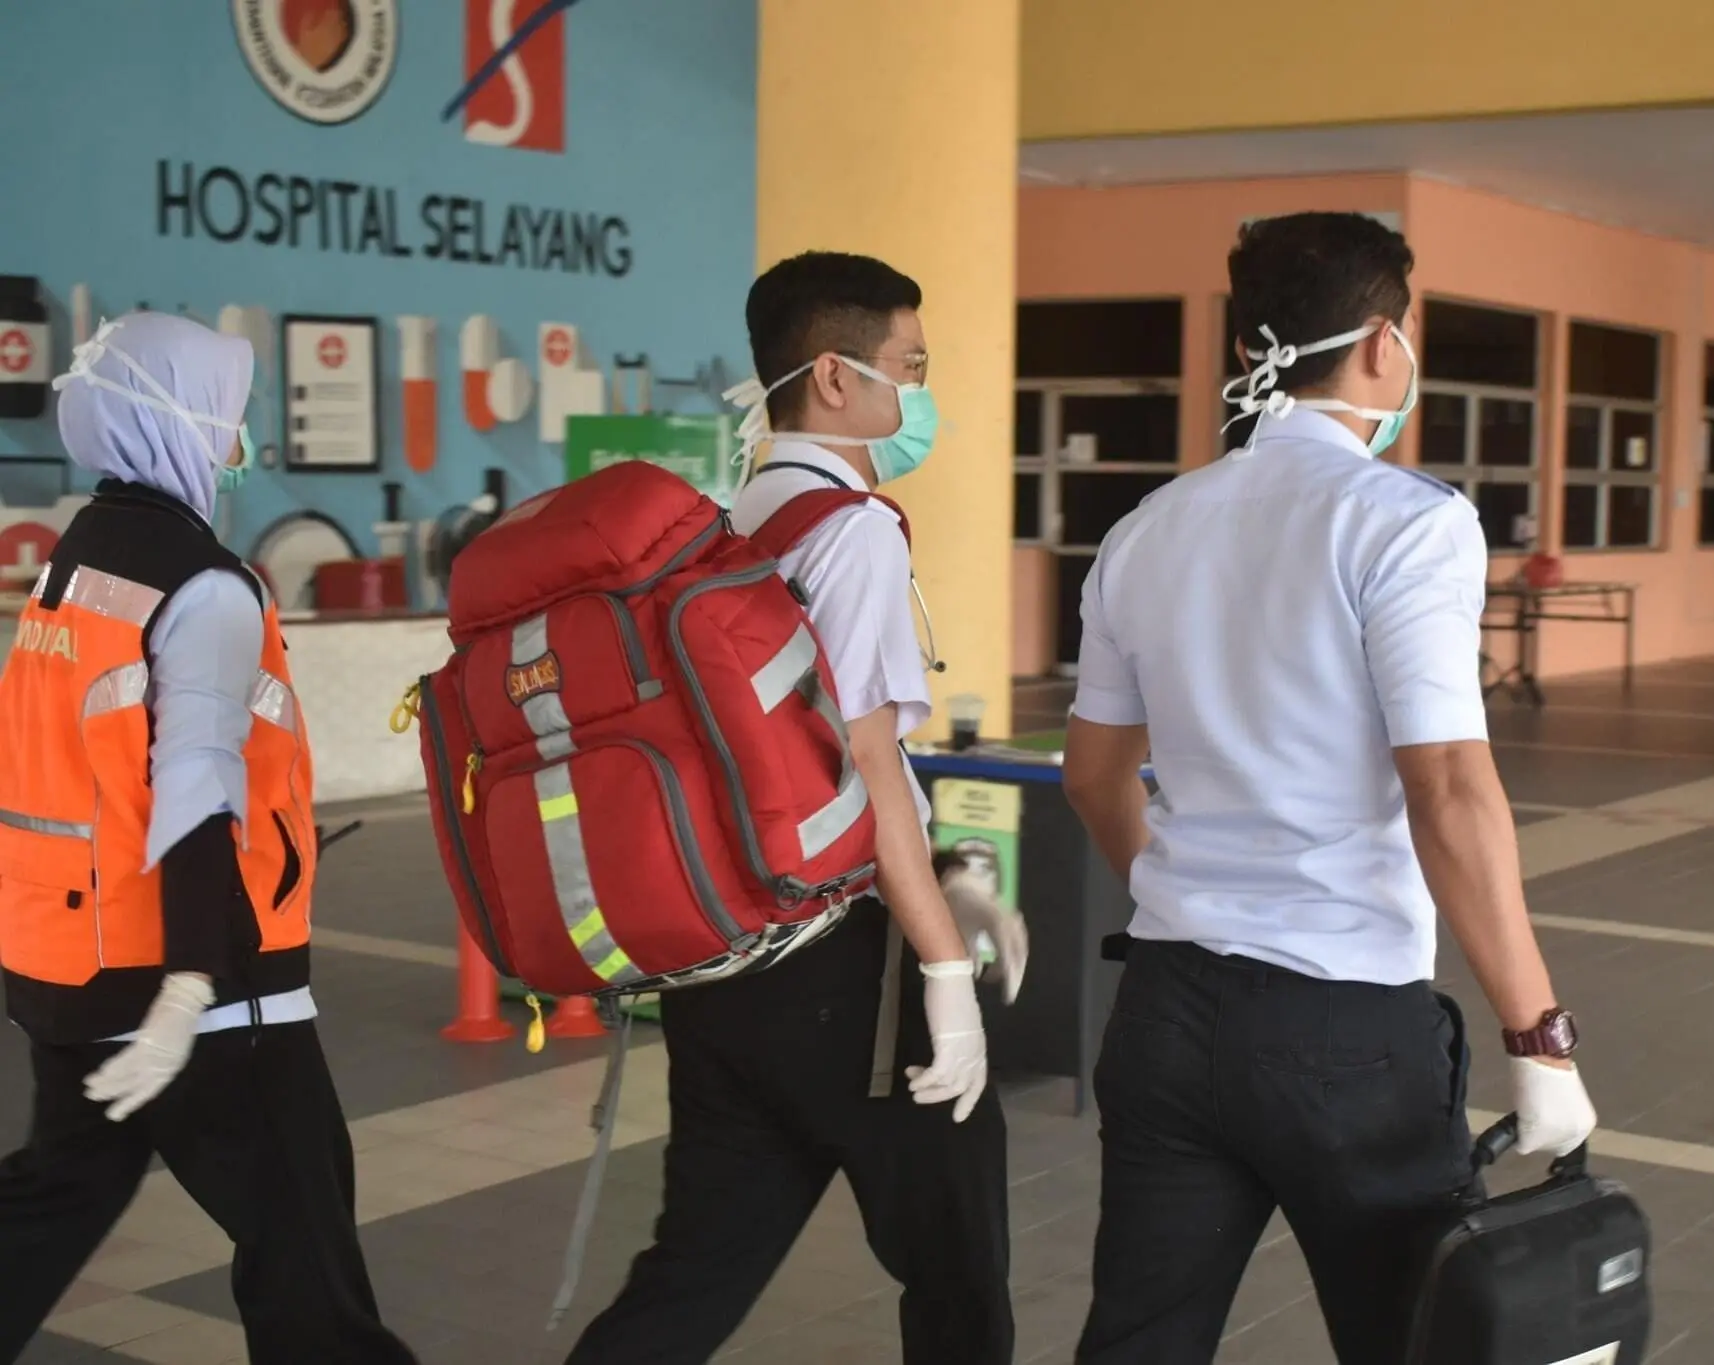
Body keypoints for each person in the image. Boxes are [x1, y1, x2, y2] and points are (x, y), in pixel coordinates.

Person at [1059, 212, 1599, 1365]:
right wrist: (1537, 1036)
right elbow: (1448, 786)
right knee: (1414, 1340)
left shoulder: (1145, 531)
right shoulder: (1406, 525)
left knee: (1138, 1342)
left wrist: (1184, 893)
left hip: (1164, 1010)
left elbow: (1093, 774)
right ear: (1377, 342)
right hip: (1342, 1032)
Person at [564, 252, 1014, 1365]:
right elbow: (867, 762)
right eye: (908, 367)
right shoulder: (852, 531)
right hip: (844, 977)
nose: (917, 395)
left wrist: (951, 865)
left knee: (691, 1277)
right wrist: (946, 975)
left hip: (727, 970)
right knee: (960, 1284)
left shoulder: (725, 521)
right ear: (831, 376)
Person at [0, 312, 417, 1364]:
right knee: (306, 1259)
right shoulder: (206, 586)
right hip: (210, 985)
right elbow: (193, 787)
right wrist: (193, 985)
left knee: (52, 1201)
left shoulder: (75, 562)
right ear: (177, 423)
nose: (240, 444)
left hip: (67, 958)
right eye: (230, 418)